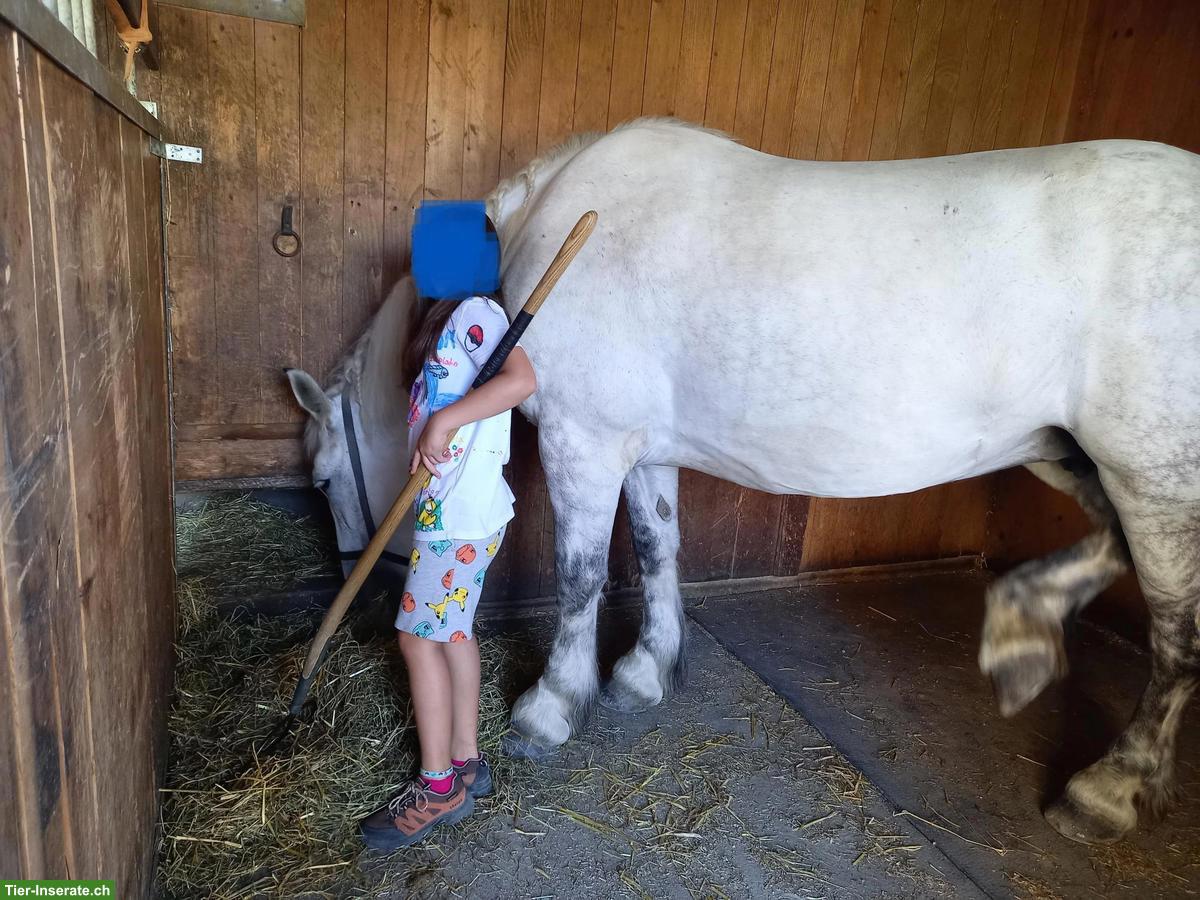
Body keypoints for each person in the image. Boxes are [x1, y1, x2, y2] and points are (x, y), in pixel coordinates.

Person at [360, 202, 537, 851]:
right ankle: (466, 761)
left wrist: (444, 421)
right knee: (451, 632)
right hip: (454, 510)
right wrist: (433, 427)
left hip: (458, 519)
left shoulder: (476, 313)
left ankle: (437, 788)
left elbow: (522, 380)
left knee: (416, 639)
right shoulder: (445, 320)